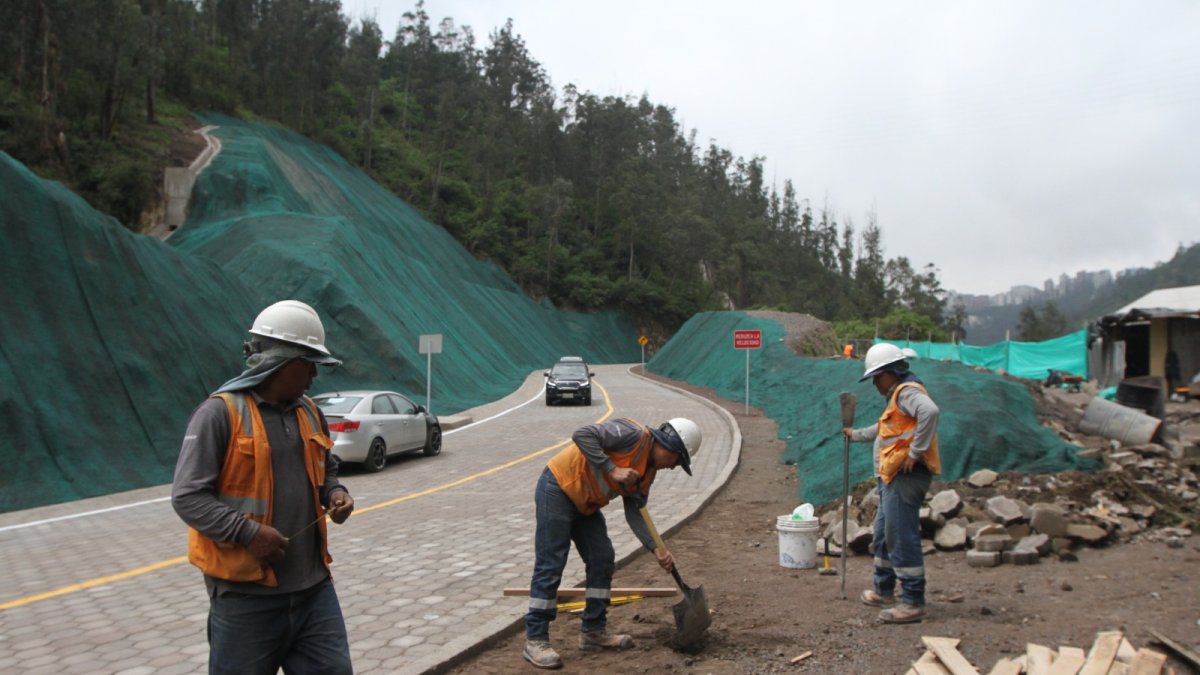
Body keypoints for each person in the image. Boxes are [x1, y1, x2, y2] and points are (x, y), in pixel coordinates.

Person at [172, 299, 355, 675]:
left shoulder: (309, 411)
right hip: (246, 601)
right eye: (309, 367)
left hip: (313, 591)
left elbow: (326, 469)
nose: (313, 378)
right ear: (283, 363)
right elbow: (188, 496)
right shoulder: (218, 415)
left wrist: (334, 493)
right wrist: (247, 532)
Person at [522, 417, 703, 669]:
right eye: (678, 460)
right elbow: (582, 434)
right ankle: (536, 639)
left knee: (602, 558)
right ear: (669, 446)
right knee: (551, 562)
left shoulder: (647, 473)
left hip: (585, 504)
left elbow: (636, 512)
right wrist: (612, 468)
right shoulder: (633, 434)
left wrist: (657, 549)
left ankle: (593, 632)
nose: (674, 467)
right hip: (558, 488)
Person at [842, 343, 940, 624]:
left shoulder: (907, 392)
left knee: (901, 535)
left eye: (877, 377)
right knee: (884, 534)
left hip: (905, 477)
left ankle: (912, 601)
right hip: (891, 477)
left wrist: (915, 452)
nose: (875, 383)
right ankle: (884, 589)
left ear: (891, 372)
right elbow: (884, 429)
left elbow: (930, 413)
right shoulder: (897, 397)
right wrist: (856, 434)